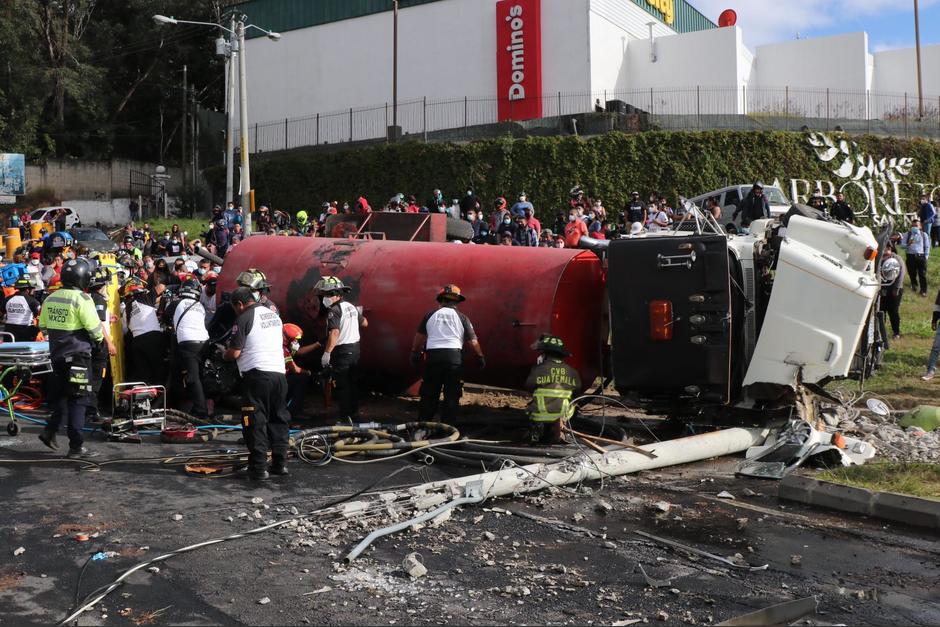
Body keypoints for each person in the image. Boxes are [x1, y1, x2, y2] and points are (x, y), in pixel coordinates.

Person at [37, 258, 104, 458]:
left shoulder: (50, 298)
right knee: (79, 399)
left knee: (64, 395)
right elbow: (95, 330)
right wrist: (99, 341)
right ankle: (76, 445)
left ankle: (50, 431)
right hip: (78, 357)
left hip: (57, 356)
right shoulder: (82, 299)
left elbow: (42, 326)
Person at [224, 287, 290, 481]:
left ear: (239, 304)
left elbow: (235, 352)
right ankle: (280, 464)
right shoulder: (274, 316)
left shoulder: (244, 318)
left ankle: (259, 467)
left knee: (255, 421)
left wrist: (224, 353)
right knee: (278, 419)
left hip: (257, 376)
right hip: (279, 374)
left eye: (235, 307)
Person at [411, 284, 484, 422]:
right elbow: (473, 341)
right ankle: (448, 428)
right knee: (452, 394)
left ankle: (424, 425)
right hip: (454, 358)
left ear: (440, 300)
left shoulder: (430, 315)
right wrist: (480, 356)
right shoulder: (463, 318)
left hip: (433, 357)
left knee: (429, 393)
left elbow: (419, 336)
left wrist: (414, 352)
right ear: (457, 301)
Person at [316, 276, 367, 423]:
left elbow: (334, 333)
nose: (325, 298)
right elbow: (365, 323)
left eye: (327, 295)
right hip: (355, 349)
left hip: (343, 351)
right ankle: (354, 415)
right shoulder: (351, 307)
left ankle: (345, 419)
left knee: (343, 386)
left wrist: (327, 353)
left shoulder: (334, 310)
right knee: (353, 384)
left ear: (336, 295)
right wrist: (351, 326)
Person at [524, 334, 581, 445]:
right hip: (564, 416)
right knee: (575, 406)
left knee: (530, 406)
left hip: (540, 417)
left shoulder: (538, 369)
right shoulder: (573, 372)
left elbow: (528, 386)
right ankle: (565, 430)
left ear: (545, 354)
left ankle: (537, 431)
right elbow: (577, 393)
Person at [172, 279, 210, 419]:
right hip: (204, 342)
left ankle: (201, 411)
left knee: (193, 378)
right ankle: (200, 405)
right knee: (199, 376)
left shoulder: (177, 303)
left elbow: (164, 316)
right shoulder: (200, 305)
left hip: (188, 343)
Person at [86, 267, 117, 422]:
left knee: (88, 378)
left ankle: (87, 409)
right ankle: (91, 411)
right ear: (102, 285)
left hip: (87, 344)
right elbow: (97, 323)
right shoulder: (98, 299)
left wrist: (108, 317)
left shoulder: (87, 297)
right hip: (98, 345)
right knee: (97, 378)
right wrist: (110, 343)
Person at [122, 280, 166, 385]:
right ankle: (163, 399)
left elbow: (124, 330)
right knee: (159, 372)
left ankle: (147, 400)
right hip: (153, 339)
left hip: (137, 342)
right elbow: (162, 286)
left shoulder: (125, 310)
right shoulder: (145, 298)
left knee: (144, 376)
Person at [283, 323, 317, 419]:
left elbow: (299, 352)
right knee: (302, 379)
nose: (296, 342)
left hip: (280, 379)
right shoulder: (283, 350)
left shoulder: (283, 347)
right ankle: (291, 413)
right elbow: (295, 369)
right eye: (294, 339)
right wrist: (310, 373)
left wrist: (317, 344)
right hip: (278, 382)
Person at [4, 276, 41, 342]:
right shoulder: (32, 301)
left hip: (9, 331)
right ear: (27, 290)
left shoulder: (7, 299)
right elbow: (40, 316)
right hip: (25, 332)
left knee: (9, 351)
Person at [880, 245, 905, 340]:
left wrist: (897, 288)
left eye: (887, 248)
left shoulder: (897, 258)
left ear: (890, 248)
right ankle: (881, 332)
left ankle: (896, 332)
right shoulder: (879, 257)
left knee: (893, 312)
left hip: (894, 290)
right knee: (881, 311)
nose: (884, 250)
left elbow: (901, 273)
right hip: (881, 289)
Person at [899, 219, 930, 297]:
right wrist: (907, 244)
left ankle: (923, 290)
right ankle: (914, 286)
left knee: (922, 274)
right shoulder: (907, 234)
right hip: (910, 256)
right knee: (912, 273)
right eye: (913, 226)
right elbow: (902, 246)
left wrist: (926, 256)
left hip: (920, 256)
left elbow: (927, 246)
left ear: (920, 226)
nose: (914, 227)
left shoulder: (924, 235)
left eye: (916, 226)